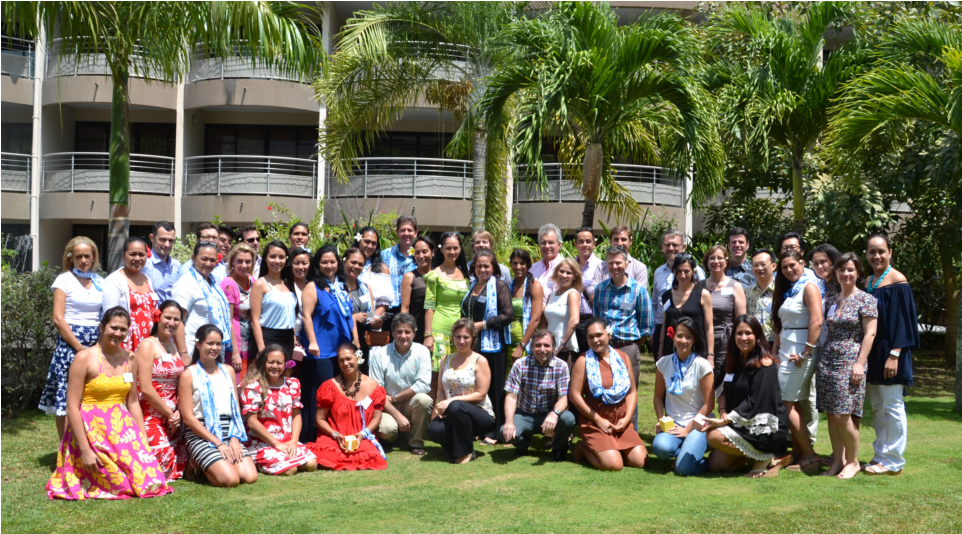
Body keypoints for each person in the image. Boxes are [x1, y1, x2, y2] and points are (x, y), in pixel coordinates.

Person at [47, 307, 172, 500]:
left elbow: (132, 402)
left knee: (151, 481)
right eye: (113, 328)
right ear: (102, 327)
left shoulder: (130, 358)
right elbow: (71, 407)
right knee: (120, 485)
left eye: (123, 330)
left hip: (122, 427)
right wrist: (85, 450)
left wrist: (142, 439)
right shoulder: (84, 358)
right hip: (91, 429)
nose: (118, 333)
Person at [702, 315, 791, 478]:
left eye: (748, 333)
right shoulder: (733, 360)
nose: (743, 338)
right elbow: (721, 389)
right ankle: (761, 458)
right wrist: (722, 410)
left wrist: (726, 420)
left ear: (757, 336)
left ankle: (766, 454)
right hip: (739, 423)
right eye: (739, 333)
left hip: (764, 427)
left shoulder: (764, 363)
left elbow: (756, 401)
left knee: (713, 436)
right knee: (716, 466)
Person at [818, 253, 878, 479]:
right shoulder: (831, 300)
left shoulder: (866, 299)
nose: (846, 274)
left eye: (850, 270)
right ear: (836, 273)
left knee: (844, 414)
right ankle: (837, 461)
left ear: (859, 273)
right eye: (841, 270)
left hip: (851, 360)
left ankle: (853, 462)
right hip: (828, 360)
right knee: (832, 415)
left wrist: (860, 364)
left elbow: (870, 334)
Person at [862, 235, 918, 476]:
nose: (877, 256)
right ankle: (881, 455)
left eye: (881, 251)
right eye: (872, 252)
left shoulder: (898, 280)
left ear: (890, 252)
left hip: (892, 352)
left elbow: (906, 322)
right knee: (877, 406)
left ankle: (894, 460)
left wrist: (895, 354)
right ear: (866, 254)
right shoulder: (869, 281)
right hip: (873, 352)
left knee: (892, 406)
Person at [178, 325, 257, 488]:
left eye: (218, 344)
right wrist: (218, 443)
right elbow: (188, 418)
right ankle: (194, 464)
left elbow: (235, 409)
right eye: (210, 343)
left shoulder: (228, 371)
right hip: (201, 433)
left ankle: (215, 463)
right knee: (231, 480)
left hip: (228, 430)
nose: (214, 348)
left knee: (249, 477)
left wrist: (234, 439)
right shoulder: (188, 374)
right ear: (198, 344)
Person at [41, 237, 104, 439]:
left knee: (91, 397)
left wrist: (97, 346)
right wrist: (80, 349)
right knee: (68, 399)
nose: (84, 260)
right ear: (70, 258)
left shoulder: (100, 281)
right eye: (79, 256)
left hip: (96, 344)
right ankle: (66, 450)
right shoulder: (64, 280)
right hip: (71, 345)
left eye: (88, 256)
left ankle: (89, 445)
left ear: (94, 257)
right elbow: (59, 319)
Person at [299, 245, 361, 443]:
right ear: (318, 264)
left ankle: (336, 434)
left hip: (341, 348)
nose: (329, 265)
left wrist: (356, 340)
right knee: (320, 393)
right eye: (324, 262)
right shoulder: (312, 286)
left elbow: (349, 315)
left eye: (332, 261)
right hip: (320, 349)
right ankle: (312, 436)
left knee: (340, 391)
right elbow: (306, 316)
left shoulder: (343, 286)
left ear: (338, 263)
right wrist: (313, 342)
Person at [569, 318, 647, 471]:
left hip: (620, 421)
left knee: (641, 461)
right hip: (596, 422)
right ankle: (581, 447)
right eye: (590, 337)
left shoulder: (623, 358)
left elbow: (631, 391)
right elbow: (574, 396)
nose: (595, 340)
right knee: (613, 465)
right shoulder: (583, 361)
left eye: (599, 335)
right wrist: (598, 420)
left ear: (609, 334)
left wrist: (627, 419)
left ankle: (613, 449)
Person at [772, 249, 822, 473]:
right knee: (794, 401)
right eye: (784, 267)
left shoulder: (809, 287)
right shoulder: (790, 290)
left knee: (786, 402)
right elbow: (780, 323)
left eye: (793, 265)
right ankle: (801, 452)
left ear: (802, 263)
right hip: (786, 350)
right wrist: (775, 349)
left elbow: (817, 321)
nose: (789, 270)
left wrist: (806, 352)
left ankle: (810, 455)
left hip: (800, 353)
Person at [595, 247, 653, 431]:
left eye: (618, 262)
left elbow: (646, 323)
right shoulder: (600, 289)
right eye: (610, 263)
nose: (615, 267)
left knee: (629, 392)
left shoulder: (638, 290)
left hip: (628, 347)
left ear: (626, 263)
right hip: (604, 349)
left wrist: (635, 345)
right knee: (605, 390)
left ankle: (630, 434)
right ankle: (607, 432)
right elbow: (597, 319)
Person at [461, 248, 514, 444]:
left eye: (487, 266)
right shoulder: (472, 286)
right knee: (476, 387)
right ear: (473, 268)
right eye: (479, 265)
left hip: (494, 345)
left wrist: (480, 325)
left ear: (494, 267)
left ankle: (496, 430)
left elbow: (508, 315)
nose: (483, 269)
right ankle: (480, 426)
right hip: (474, 346)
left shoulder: (499, 286)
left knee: (495, 387)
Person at [239, 345, 318, 475]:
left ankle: (282, 456)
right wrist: (276, 444)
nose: (275, 366)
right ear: (263, 363)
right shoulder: (252, 386)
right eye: (271, 362)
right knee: (290, 469)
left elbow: (296, 415)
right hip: (261, 442)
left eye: (279, 363)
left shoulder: (292, 384)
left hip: (287, 440)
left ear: (285, 364)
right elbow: (252, 422)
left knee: (311, 464)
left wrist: (294, 440)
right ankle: (259, 462)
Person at [134, 300, 190, 481]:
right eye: (168, 317)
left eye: (176, 319)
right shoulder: (147, 345)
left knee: (184, 456)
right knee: (161, 465)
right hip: (152, 414)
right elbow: (146, 388)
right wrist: (169, 413)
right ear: (158, 317)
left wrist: (178, 413)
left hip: (173, 415)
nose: (172, 323)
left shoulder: (173, 345)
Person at [427, 319, 496, 463]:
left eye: (466, 337)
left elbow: (480, 394)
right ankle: (460, 449)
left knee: (456, 405)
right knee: (434, 429)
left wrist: (451, 400)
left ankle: (466, 452)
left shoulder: (480, 360)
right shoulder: (445, 359)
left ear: (473, 338)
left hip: (480, 414)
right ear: (453, 338)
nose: (462, 341)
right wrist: (441, 406)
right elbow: (440, 389)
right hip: (453, 412)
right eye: (458, 337)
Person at [500, 330, 576, 462]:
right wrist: (509, 422)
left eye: (546, 345)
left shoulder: (561, 366)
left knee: (568, 419)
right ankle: (524, 445)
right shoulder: (520, 364)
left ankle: (559, 449)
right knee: (504, 431)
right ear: (531, 347)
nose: (542, 349)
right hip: (525, 414)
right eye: (538, 345)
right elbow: (511, 396)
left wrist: (554, 414)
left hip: (549, 415)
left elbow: (563, 397)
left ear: (553, 347)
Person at [652, 318, 714, 476]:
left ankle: (714, 461)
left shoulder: (702, 365)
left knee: (683, 469)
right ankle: (685, 451)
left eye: (688, 337)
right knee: (660, 447)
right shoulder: (663, 364)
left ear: (694, 340)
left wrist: (688, 429)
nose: (683, 341)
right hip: (673, 422)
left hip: (699, 423)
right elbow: (658, 397)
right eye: (679, 335)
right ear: (673, 337)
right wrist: (661, 420)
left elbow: (709, 404)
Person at [310, 343, 388, 471]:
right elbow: (319, 419)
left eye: (348, 358)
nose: (345, 363)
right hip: (333, 437)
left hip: (361, 437)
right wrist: (336, 435)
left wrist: (363, 434)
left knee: (369, 456)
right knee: (327, 456)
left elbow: (377, 417)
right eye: (341, 360)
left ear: (358, 357)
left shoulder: (374, 386)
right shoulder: (329, 386)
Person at [370, 314, 434, 456]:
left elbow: (423, 385)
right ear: (392, 333)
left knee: (424, 399)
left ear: (414, 333)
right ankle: (396, 436)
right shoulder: (380, 354)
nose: (403, 336)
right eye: (399, 331)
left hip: (408, 403)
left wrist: (395, 398)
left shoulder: (422, 352)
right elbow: (376, 391)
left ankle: (416, 443)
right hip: (387, 406)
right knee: (387, 431)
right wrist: (397, 415)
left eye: (407, 332)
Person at [423, 231, 471, 389]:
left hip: (460, 333)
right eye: (448, 248)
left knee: (457, 377)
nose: (452, 252)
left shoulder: (466, 274)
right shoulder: (435, 275)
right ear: (441, 249)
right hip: (439, 331)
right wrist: (428, 335)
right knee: (437, 380)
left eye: (456, 248)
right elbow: (429, 306)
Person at [172, 242, 232, 362]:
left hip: (212, 350)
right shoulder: (186, 283)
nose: (208, 264)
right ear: (193, 258)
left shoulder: (213, 282)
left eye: (212, 260)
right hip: (193, 350)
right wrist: (184, 353)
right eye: (204, 259)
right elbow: (177, 321)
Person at [652, 230, 705, 357]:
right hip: (664, 328)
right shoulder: (658, 272)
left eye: (675, 245)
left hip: (689, 330)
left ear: (684, 247)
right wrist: (654, 331)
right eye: (667, 244)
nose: (671, 248)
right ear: (662, 247)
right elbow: (655, 303)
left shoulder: (697, 272)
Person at [102, 237, 158, 352]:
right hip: (125, 341)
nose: (137, 258)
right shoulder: (114, 280)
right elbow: (110, 317)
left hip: (148, 341)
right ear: (123, 256)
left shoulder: (147, 279)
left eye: (141, 254)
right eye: (132, 254)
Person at [703, 245, 747, 388]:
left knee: (726, 383)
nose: (716, 261)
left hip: (726, 341)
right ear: (707, 261)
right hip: (703, 341)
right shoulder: (699, 286)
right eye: (712, 258)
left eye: (720, 258)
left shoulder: (735, 286)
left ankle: (725, 410)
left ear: (726, 261)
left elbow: (742, 320)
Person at [658, 254, 713, 362]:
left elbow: (709, 327)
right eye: (679, 271)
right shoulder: (666, 296)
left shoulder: (702, 294)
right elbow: (664, 325)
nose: (682, 275)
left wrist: (710, 355)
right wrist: (660, 351)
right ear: (674, 271)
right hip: (670, 352)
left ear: (693, 272)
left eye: (686, 271)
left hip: (696, 352)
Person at [251, 241, 298, 359]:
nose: (277, 261)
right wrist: (261, 348)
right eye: (273, 256)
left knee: (284, 374)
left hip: (288, 338)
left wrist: (293, 336)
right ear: (265, 259)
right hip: (269, 338)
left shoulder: (288, 282)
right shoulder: (260, 284)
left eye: (281, 257)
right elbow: (255, 320)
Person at [343, 247, 387, 369]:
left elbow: (371, 314)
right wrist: (354, 317)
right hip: (345, 337)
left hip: (364, 338)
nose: (356, 266)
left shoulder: (365, 287)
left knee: (361, 371)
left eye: (360, 264)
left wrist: (376, 322)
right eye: (353, 262)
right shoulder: (337, 286)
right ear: (344, 261)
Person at [220, 244, 257, 379]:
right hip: (236, 343)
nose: (244, 265)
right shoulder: (228, 284)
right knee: (237, 380)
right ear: (232, 262)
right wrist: (235, 352)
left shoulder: (252, 280)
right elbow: (227, 320)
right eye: (239, 261)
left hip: (251, 341)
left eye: (248, 261)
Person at [506, 249, 545, 368]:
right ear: (511, 264)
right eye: (515, 263)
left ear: (528, 265)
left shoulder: (535, 286)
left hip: (524, 344)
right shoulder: (509, 286)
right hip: (507, 343)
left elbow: (535, 319)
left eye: (522, 263)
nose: (518, 266)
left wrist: (521, 346)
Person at [545, 258, 582, 364]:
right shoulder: (552, 295)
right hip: (550, 349)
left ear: (575, 276)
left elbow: (574, 321)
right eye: (561, 271)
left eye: (569, 273)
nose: (564, 275)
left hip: (565, 350)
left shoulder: (572, 293)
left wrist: (561, 345)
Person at [381, 215, 419, 318]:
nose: (406, 233)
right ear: (397, 232)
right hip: (391, 309)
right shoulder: (385, 255)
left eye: (410, 230)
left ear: (416, 233)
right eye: (403, 230)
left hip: (416, 309)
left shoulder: (422, 255)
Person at [400, 235, 434, 344]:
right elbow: (405, 308)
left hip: (438, 328)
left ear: (432, 252)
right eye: (417, 252)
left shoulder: (439, 276)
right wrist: (405, 331)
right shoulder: (409, 277)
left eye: (425, 251)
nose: (421, 256)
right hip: (416, 329)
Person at [142, 221, 181, 301]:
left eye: (171, 240)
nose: (167, 244)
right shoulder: (143, 264)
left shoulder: (177, 266)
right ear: (152, 238)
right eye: (162, 239)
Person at [604, 225, 649, 292]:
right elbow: (595, 294)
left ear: (630, 241)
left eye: (623, 239)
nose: (619, 243)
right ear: (610, 241)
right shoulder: (600, 267)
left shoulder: (640, 268)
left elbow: (639, 294)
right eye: (616, 239)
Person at [746, 249, 777, 343]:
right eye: (755, 265)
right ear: (751, 268)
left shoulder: (781, 290)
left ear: (773, 266)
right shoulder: (747, 292)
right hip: (753, 343)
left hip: (776, 343)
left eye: (763, 264)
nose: (759, 268)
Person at [289, 247, 313, 373]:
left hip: (310, 337)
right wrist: (293, 335)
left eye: (304, 263)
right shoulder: (286, 285)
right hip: (291, 337)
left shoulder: (315, 285)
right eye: (296, 263)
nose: (300, 267)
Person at [574, 227, 606, 316]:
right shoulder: (569, 267)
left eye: (588, 241)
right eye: (581, 241)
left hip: (593, 317)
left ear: (594, 244)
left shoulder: (602, 267)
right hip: (571, 317)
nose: (585, 245)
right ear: (575, 244)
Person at [530, 223, 563, 302]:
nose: (547, 246)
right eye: (543, 243)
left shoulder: (566, 267)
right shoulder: (532, 268)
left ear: (559, 244)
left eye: (551, 242)